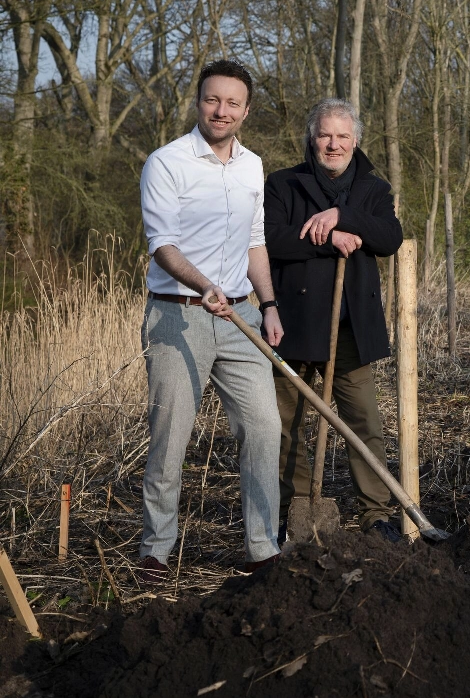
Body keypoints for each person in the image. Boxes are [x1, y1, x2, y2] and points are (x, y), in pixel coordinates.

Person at [138, 59, 282, 581]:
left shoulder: (252, 166)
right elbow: (162, 246)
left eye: (232, 103)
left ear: (246, 111)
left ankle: (263, 549)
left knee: (264, 427)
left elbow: (254, 242)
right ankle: (156, 548)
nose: (221, 111)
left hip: (241, 315)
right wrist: (205, 287)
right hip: (180, 316)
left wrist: (267, 305)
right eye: (212, 100)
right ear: (199, 101)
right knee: (171, 432)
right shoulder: (167, 162)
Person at [265, 98, 404, 544]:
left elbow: (389, 238)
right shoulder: (284, 184)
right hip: (294, 326)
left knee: (364, 424)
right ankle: (299, 507)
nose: (333, 143)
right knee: (286, 425)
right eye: (325, 134)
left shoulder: (373, 190)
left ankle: (376, 514)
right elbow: (272, 240)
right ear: (312, 137)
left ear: (355, 141)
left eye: (342, 136)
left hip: (351, 330)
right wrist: (331, 239)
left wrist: (343, 215)